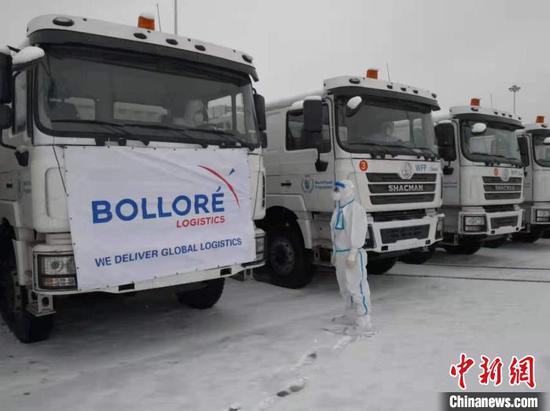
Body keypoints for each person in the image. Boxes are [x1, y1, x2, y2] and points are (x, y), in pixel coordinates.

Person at [330, 180, 373, 336]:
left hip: (352, 253)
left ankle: (364, 318)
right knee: (344, 286)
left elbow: (358, 230)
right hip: (341, 253)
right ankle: (349, 313)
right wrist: (335, 253)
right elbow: (336, 234)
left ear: (347, 191)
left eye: (337, 189)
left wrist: (354, 251)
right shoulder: (338, 210)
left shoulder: (356, 209)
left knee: (357, 286)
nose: (334, 192)